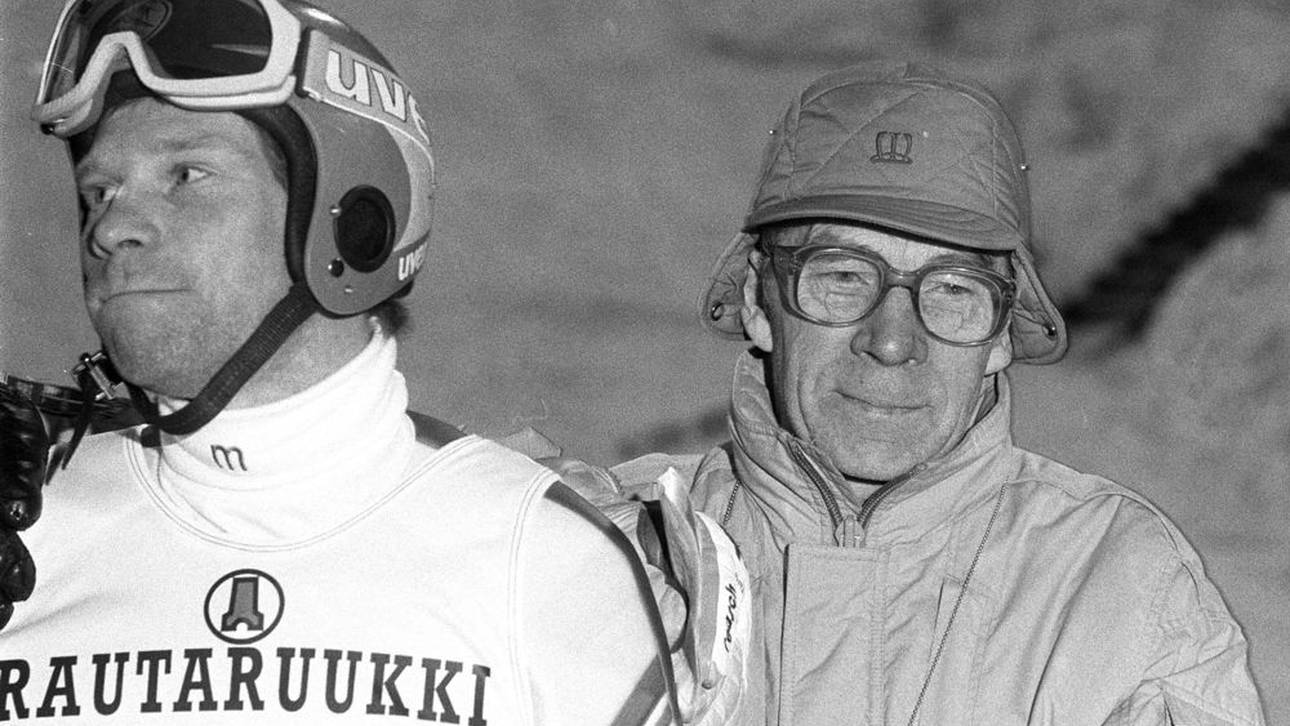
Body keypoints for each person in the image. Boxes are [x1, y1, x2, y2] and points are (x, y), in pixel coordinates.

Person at [0, 1, 677, 723]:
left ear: (354, 220)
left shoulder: (545, 562)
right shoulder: (27, 529)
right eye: (98, 191)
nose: (111, 227)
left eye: (186, 175)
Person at [607, 61, 1268, 724]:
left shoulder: (1120, 587)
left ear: (1003, 331)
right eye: (842, 276)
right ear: (759, 299)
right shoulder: (614, 556)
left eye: (953, 290)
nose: (892, 340)